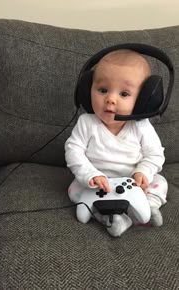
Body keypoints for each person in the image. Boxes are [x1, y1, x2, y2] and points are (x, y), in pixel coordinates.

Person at [65, 49, 168, 237]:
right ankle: (111, 219)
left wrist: (143, 172)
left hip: (133, 182)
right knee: (74, 190)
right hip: (98, 184)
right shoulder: (87, 123)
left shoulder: (141, 126)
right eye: (103, 90)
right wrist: (90, 175)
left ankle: (148, 207)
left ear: (144, 100)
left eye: (124, 93)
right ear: (87, 91)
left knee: (160, 182)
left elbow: (155, 154)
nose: (110, 99)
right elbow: (73, 151)